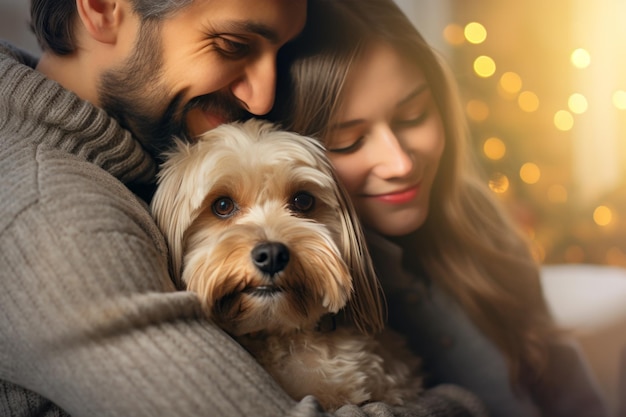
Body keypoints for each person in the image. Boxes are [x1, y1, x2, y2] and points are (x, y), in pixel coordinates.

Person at [0, 0, 489, 416]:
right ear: (104, 8)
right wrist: (461, 406)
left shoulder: (130, 149)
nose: (263, 98)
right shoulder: (51, 219)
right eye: (232, 45)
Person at [267, 0, 610, 416]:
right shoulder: (294, 293)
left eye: (413, 116)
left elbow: (566, 383)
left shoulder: (476, 216)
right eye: (348, 142)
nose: (401, 164)